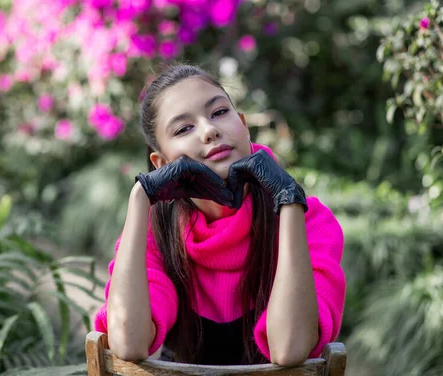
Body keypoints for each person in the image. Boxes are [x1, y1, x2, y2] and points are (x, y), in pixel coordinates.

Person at [93, 64, 346, 366]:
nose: (210, 130)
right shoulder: (154, 231)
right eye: (184, 128)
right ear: (161, 163)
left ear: (243, 125)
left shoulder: (310, 222)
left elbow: (290, 349)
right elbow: (129, 343)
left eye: (219, 113)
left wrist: (289, 199)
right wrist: (140, 197)